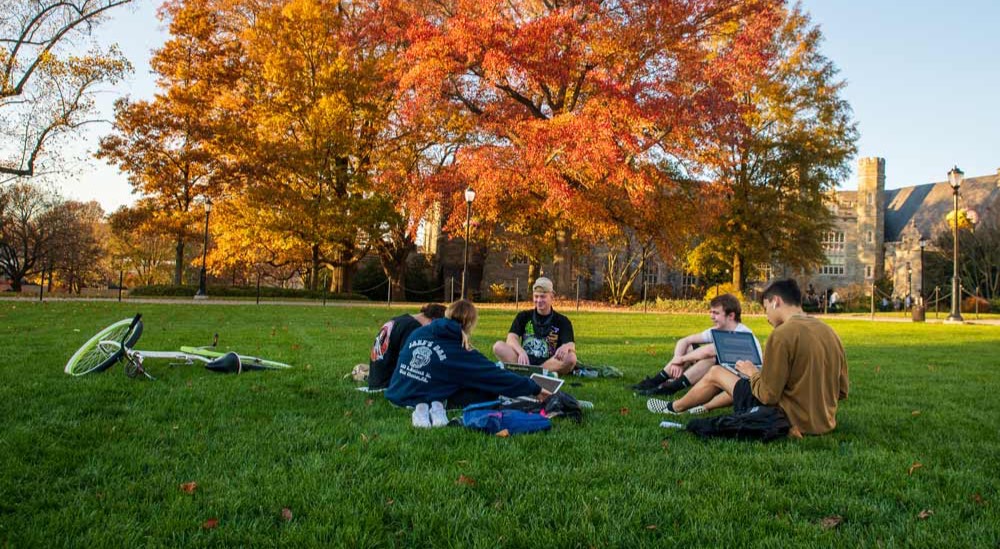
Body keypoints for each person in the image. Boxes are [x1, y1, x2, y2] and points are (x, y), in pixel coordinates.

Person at [653, 279, 849, 440]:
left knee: (717, 373)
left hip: (787, 419)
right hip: (824, 423)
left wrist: (752, 372)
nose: (766, 317)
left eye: (766, 309)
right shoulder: (831, 333)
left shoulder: (782, 334)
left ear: (776, 302)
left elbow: (768, 395)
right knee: (741, 385)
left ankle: (674, 407)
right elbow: (842, 391)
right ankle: (701, 407)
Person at [386, 300, 550, 412]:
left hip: (396, 393)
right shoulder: (461, 352)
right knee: (485, 391)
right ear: (470, 324)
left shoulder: (419, 332)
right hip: (414, 401)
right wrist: (534, 388)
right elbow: (495, 376)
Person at [630, 293, 762, 397]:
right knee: (689, 347)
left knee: (710, 359)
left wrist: (681, 359)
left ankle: (670, 388)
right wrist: (677, 361)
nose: (711, 317)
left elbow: (709, 351)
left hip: (741, 383)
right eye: (711, 312)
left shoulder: (741, 333)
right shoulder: (718, 330)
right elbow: (684, 341)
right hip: (722, 375)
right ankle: (654, 382)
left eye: (716, 313)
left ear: (731, 316)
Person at [492, 277, 577, 375]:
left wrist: (565, 347)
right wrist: (521, 352)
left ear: (552, 297)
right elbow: (511, 338)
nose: (539, 300)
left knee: (571, 358)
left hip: (550, 363)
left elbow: (571, 345)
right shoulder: (523, 316)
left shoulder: (563, 321)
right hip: (524, 361)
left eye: (543, 296)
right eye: (536, 296)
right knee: (498, 346)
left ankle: (534, 372)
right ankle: (532, 371)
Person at [365, 303, 446, 391]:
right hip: (388, 383)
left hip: (377, 378)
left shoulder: (400, 320)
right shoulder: (413, 328)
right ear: (434, 320)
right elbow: (407, 363)